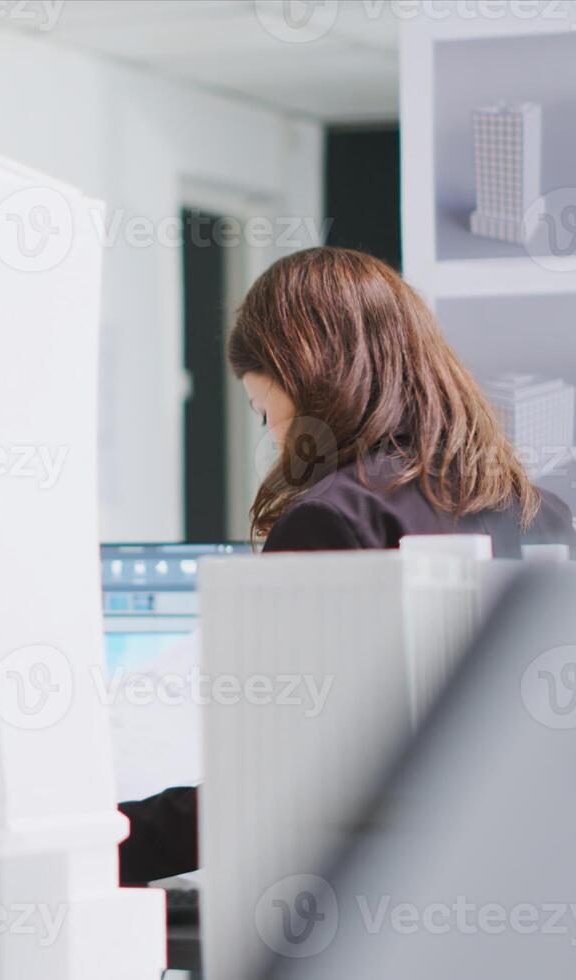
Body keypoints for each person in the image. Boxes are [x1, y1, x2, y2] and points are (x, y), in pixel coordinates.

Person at [117, 245, 575, 885]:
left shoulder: (330, 520)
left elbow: (279, 788)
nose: (272, 434)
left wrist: (107, 844)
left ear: (306, 379)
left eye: (262, 408)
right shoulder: (543, 514)